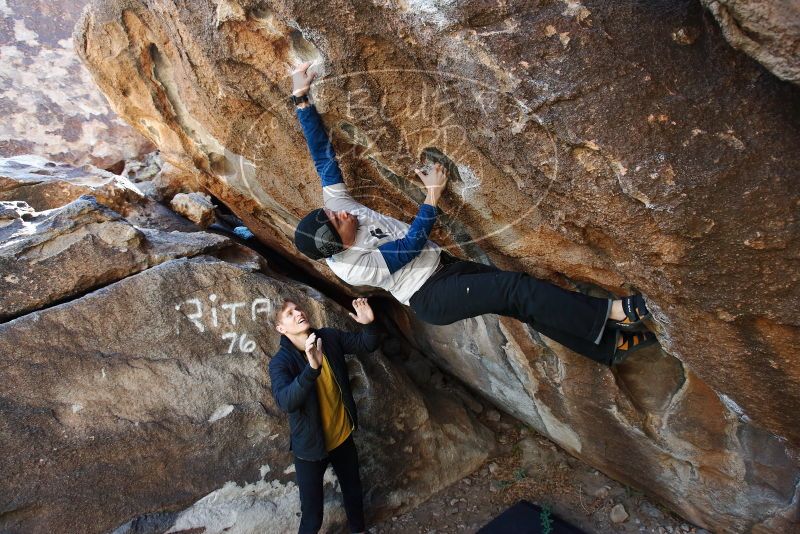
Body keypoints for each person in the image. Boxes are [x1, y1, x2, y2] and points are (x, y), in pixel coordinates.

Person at [288, 62, 656, 367]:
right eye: (337, 222)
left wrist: (301, 97)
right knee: (516, 289)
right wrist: (432, 194)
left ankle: (608, 347)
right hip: (431, 294)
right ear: (339, 246)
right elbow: (410, 246)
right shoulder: (351, 267)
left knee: (522, 305)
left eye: (333, 212)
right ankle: (615, 312)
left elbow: (322, 155)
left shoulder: (338, 208)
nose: (342, 214)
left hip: (445, 267)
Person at [269, 297, 380, 534]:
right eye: (289, 314)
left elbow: (367, 344)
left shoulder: (328, 337)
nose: (298, 313)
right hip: (310, 449)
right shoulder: (280, 362)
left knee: (353, 491)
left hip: (342, 437)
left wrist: (368, 324)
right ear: (281, 328)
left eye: (298, 308)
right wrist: (311, 369)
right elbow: (285, 401)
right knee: (312, 516)